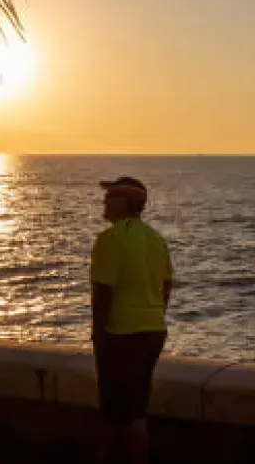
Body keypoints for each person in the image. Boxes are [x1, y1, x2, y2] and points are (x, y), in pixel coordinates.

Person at [90, 175, 173, 464]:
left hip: (120, 334)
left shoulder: (109, 240)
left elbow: (102, 294)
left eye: (110, 196)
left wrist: (98, 336)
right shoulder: (156, 239)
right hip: (153, 331)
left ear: (124, 202)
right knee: (137, 408)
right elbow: (166, 287)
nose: (104, 201)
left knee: (113, 412)